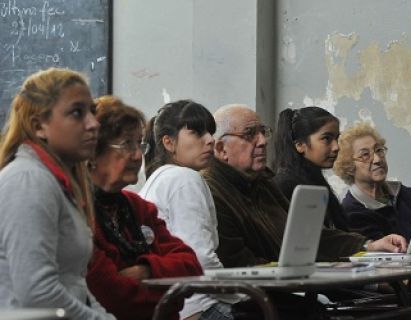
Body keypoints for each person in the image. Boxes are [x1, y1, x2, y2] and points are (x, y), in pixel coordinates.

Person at [202, 104, 407, 268]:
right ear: (221, 149)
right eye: (249, 134)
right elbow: (239, 266)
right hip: (263, 302)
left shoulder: (263, 183)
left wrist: (369, 245)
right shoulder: (211, 194)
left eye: (263, 132)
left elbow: (310, 235)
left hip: (295, 288)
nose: (263, 141)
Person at [0, 68, 114, 319]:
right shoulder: (28, 180)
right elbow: (38, 292)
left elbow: (75, 283)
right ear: (38, 125)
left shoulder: (53, 182)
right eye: (77, 113)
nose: (94, 124)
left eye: (92, 112)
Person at [86, 96, 203, 320]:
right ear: (93, 152)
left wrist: (145, 271)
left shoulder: (137, 207)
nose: (138, 155)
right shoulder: (78, 211)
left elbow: (191, 265)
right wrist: (168, 298)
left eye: (140, 143)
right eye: (126, 144)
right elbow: (112, 297)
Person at [140, 100, 235, 320]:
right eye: (197, 133)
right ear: (169, 142)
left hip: (175, 304)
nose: (211, 140)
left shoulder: (160, 177)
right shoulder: (184, 179)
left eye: (210, 132)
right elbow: (200, 257)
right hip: (198, 305)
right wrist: (238, 295)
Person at [273, 107, 348, 230]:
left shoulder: (314, 180)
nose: (336, 147)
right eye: (326, 138)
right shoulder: (286, 186)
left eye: (336, 138)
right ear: (300, 145)